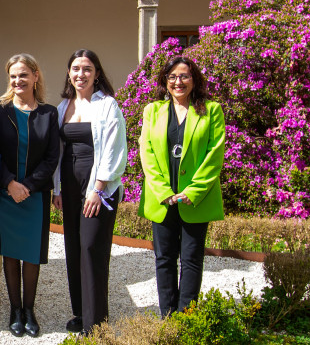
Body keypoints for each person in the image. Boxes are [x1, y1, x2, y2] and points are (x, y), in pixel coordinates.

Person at [138, 56, 226, 317]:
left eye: (184, 76)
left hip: (194, 200)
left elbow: (215, 154)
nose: (178, 82)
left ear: (194, 80)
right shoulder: (152, 110)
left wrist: (194, 190)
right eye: (173, 77)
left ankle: (186, 316)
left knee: (191, 260)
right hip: (162, 199)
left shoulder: (211, 110)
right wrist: (163, 191)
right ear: (165, 82)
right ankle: (168, 315)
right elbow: (147, 152)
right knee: (164, 259)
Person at [0, 54, 61, 338]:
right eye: (13, 76)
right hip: (5, 193)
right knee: (11, 254)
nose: (18, 81)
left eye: (24, 75)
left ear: (35, 77)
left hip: (35, 195)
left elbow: (52, 157)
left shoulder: (49, 113)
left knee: (31, 255)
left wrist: (27, 185)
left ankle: (30, 309)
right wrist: (9, 183)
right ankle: (14, 310)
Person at [52, 49, 127, 335]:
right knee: (72, 247)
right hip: (69, 184)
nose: (80, 74)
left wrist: (99, 189)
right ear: (69, 73)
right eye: (75, 68)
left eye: (86, 69)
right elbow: (59, 152)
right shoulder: (63, 107)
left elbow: (114, 150)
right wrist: (57, 188)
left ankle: (96, 320)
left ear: (97, 73)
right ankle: (81, 312)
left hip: (98, 186)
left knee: (91, 247)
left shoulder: (107, 106)